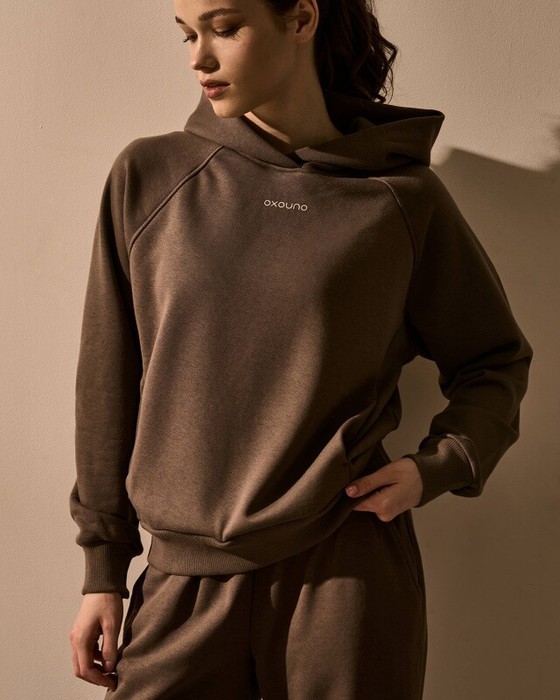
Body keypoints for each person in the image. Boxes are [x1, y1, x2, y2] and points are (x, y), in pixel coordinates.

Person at [68, 0, 533, 698]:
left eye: (225, 27)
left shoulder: (402, 199)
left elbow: (495, 359)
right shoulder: (151, 176)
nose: (198, 58)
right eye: (187, 34)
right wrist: (102, 571)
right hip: (183, 578)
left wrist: (438, 466)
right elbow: (108, 381)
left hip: (345, 573)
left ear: (302, 19)